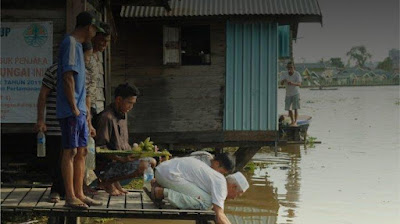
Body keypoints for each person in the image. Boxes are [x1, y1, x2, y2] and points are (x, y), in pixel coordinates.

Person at [34, 43, 94, 203]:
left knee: (79, 155)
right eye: (86, 56)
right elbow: (42, 96)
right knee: (57, 157)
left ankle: (76, 191)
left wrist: (89, 122)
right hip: (56, 121)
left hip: (79, 121)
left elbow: (87, 99)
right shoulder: (55, 70)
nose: (88, 59)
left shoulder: (87, 74)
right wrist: (41, 119)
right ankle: (56, 190)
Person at [56, 11, 105, 209]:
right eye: (95, 29)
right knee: (70, 151)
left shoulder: (78, 46)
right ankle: (70, 195)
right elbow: (67, 77)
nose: (95, 33)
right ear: (88, 27)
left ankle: (80, 193)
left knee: (82, 151)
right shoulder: (70, 43)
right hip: (71, 110)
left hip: (80, 110)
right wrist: (75, 108)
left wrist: (85, 112)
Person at [95, 83, 156, 196]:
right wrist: (121, 159)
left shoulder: (123, 115)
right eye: (129, 103)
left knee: (151, 161)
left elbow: (124, 145)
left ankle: (115, 182)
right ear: (118, 100)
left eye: (133, 104)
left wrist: (139, 152)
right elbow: (100, 148)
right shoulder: (106, 117)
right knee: (144, 165)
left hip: (120, 162)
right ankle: (106, 182)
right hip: (105, 166)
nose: (131, 107)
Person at [149, 157, 249, 224]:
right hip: (168, 175)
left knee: (204, 198)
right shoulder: (221, 183)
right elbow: (219, 215)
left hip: (161, 171)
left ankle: (158, 184)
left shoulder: (216, 177)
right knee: (206, 203)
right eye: (237, 195)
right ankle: (161, 192)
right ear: (233, 187)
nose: (234, 198)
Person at [85, 22, 111, 136]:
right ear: (94, 37)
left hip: (97, 106)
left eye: (107, 41)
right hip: (86, 106)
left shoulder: (99, 56)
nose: (105, 44)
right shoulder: (86, 56)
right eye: (102, 40)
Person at [280, 62, 302, 126]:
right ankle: (292, 121)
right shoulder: (284, 74)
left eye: (291, 67)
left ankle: (295, 122)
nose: (290, 69)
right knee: (288, 108)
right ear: (287, 68)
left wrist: (292, 83)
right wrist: (283, 80)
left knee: (295, 108)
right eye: (288, 67)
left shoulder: (297, 74)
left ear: (294, 68)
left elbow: (299, 84)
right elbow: (281, 83)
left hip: (295, 93)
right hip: (288, 94)